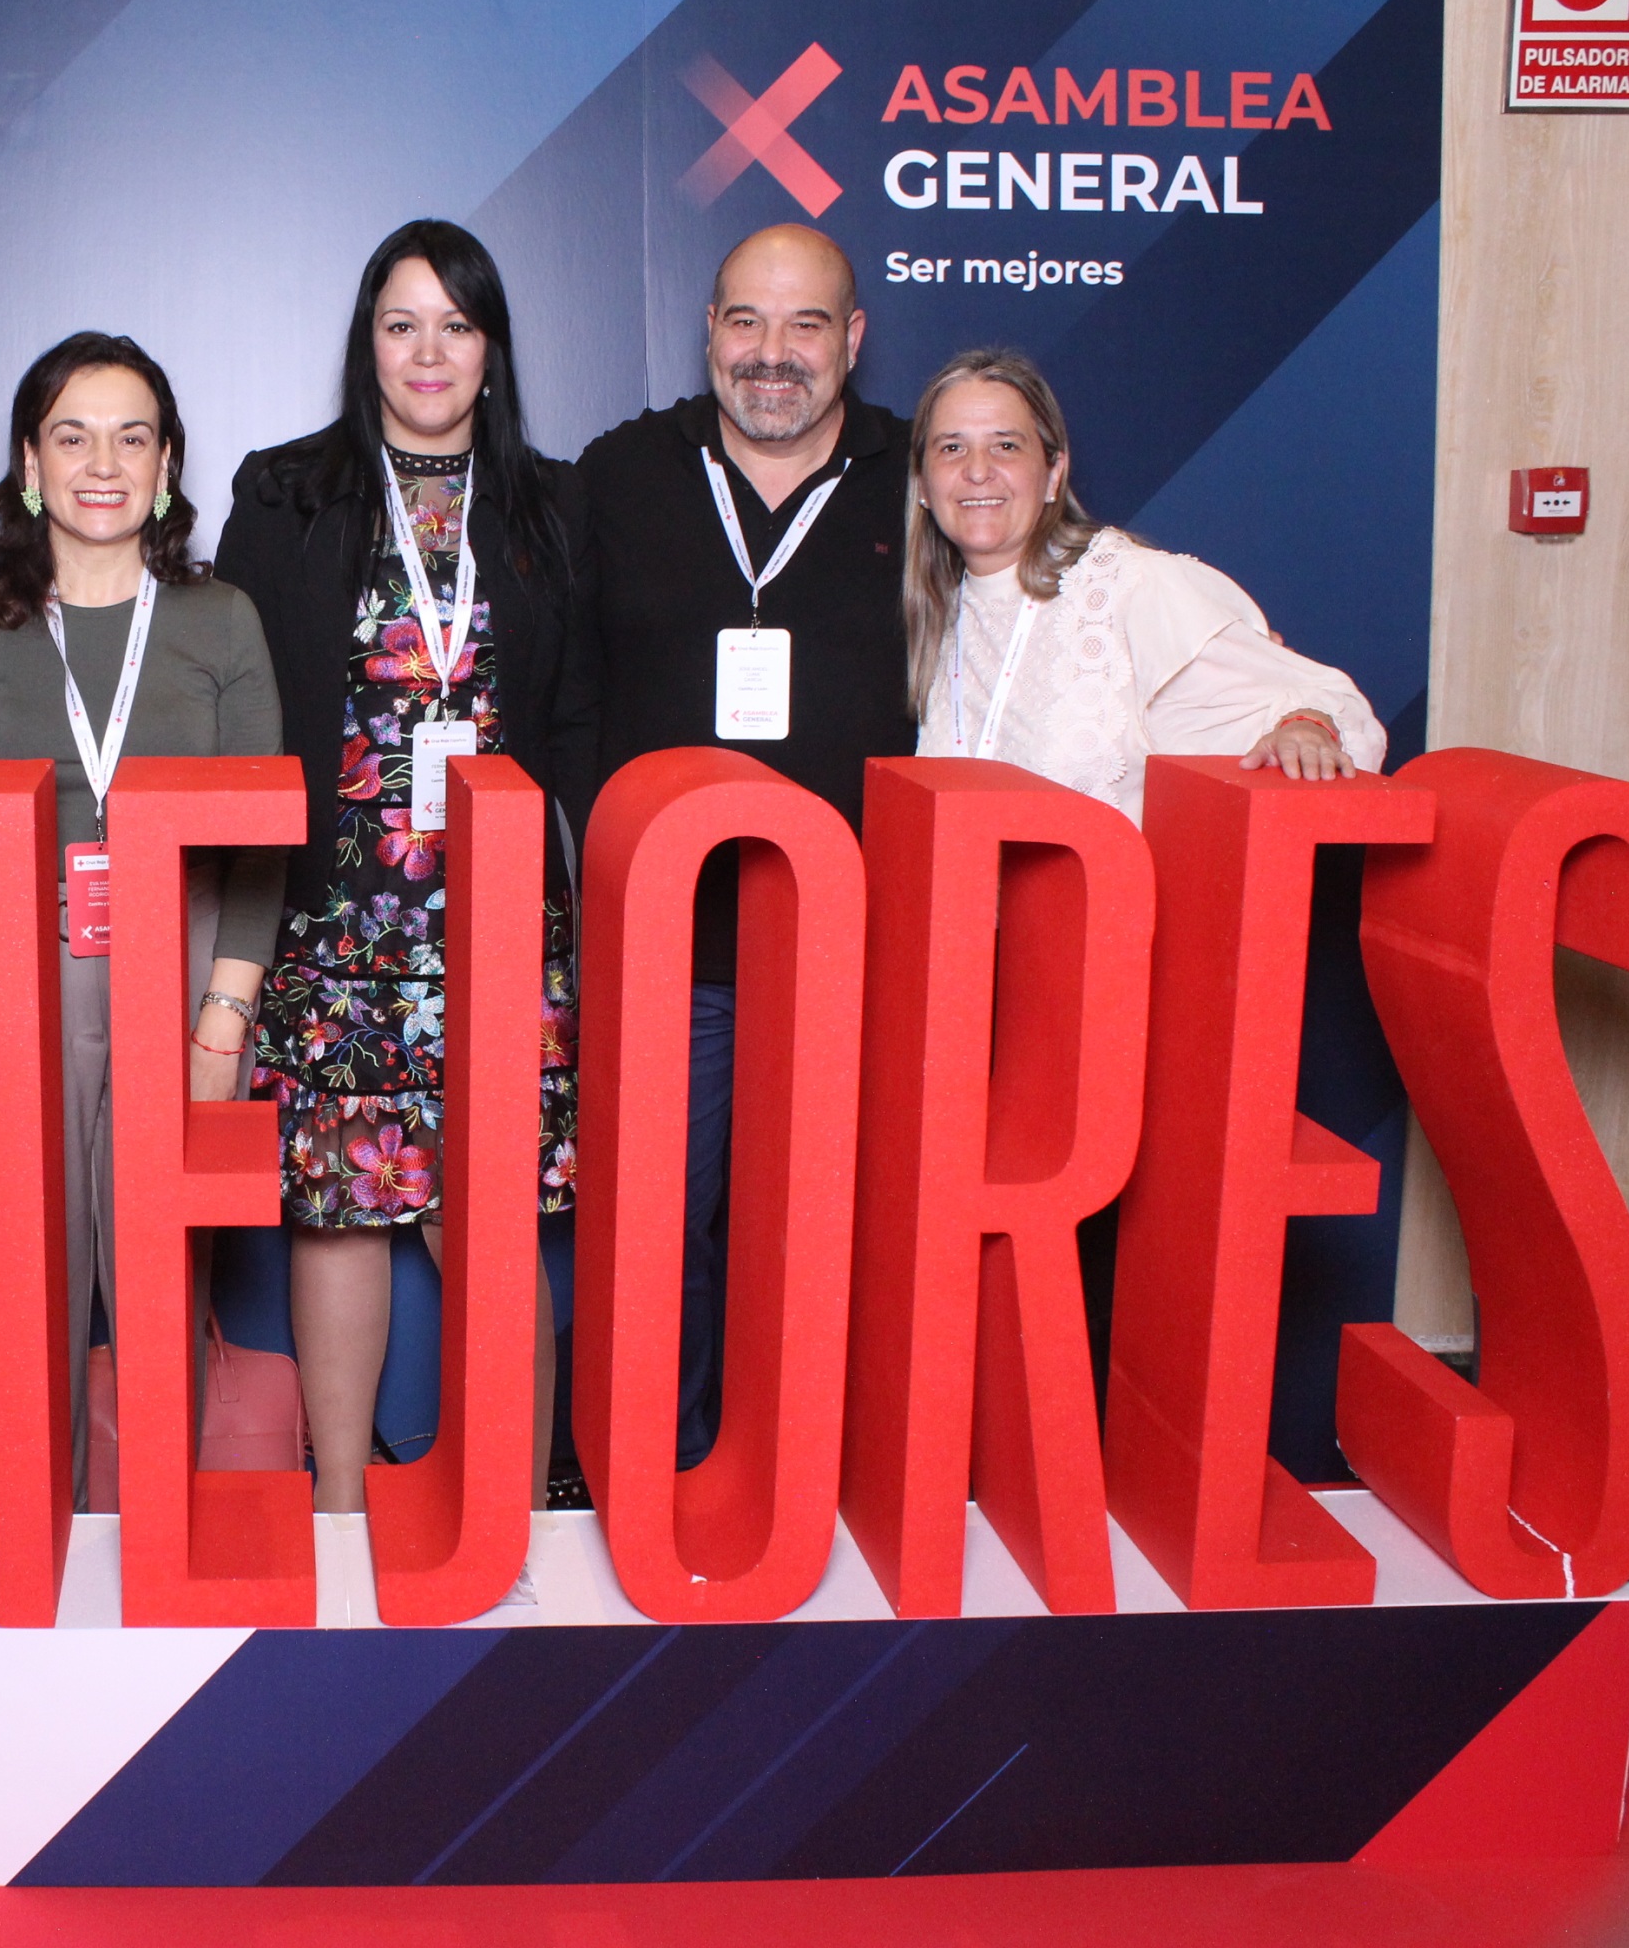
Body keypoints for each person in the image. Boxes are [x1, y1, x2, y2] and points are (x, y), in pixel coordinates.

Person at [217, 220, 593, 1515]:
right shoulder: (286, 494)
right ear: (366, 342)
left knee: (491, 1221)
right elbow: (246, 712)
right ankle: (336, 1508)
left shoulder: (554, 505)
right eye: (402, 324)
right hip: (340, 918)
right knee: (339, 1205)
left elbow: (577, 720)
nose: (428, 352)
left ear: (491, 349)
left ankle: (518, 1518)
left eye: (455, 324)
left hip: (497, 925)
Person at [0, 332, 283, 1503]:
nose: (102, 464)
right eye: (73, 436)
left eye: (131, 437)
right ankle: (46, 1537)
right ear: (30, 464)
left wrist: (225, 1017)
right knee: (35, 1277)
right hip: (18, 971)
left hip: (187, 964)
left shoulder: (223, 618)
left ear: (167, 465)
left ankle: (163, 1535)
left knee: (164, 1273)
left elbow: (263, 839)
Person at [574, 223, 911, 1472]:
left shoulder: (920, 476)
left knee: (833, 1230)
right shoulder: (621, 474)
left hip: (852, 953)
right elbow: (560, 692)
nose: (774, 353)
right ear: (708, 330)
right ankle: (669, 1482)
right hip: (675, 954)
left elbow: (1072, 585)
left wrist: (1282, 702)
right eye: (747, 322)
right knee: (662, 1230)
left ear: (852, 339)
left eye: (806, 324)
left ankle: (814, 1482)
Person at [905, 345, 1382, 809]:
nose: (978, 471)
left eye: (1006, 446)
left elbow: (1326, 700)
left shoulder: (1130, 587)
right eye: (952, 447)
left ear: (1053, 474)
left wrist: (1306, 727)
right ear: (923, 483)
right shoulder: (940, 613)